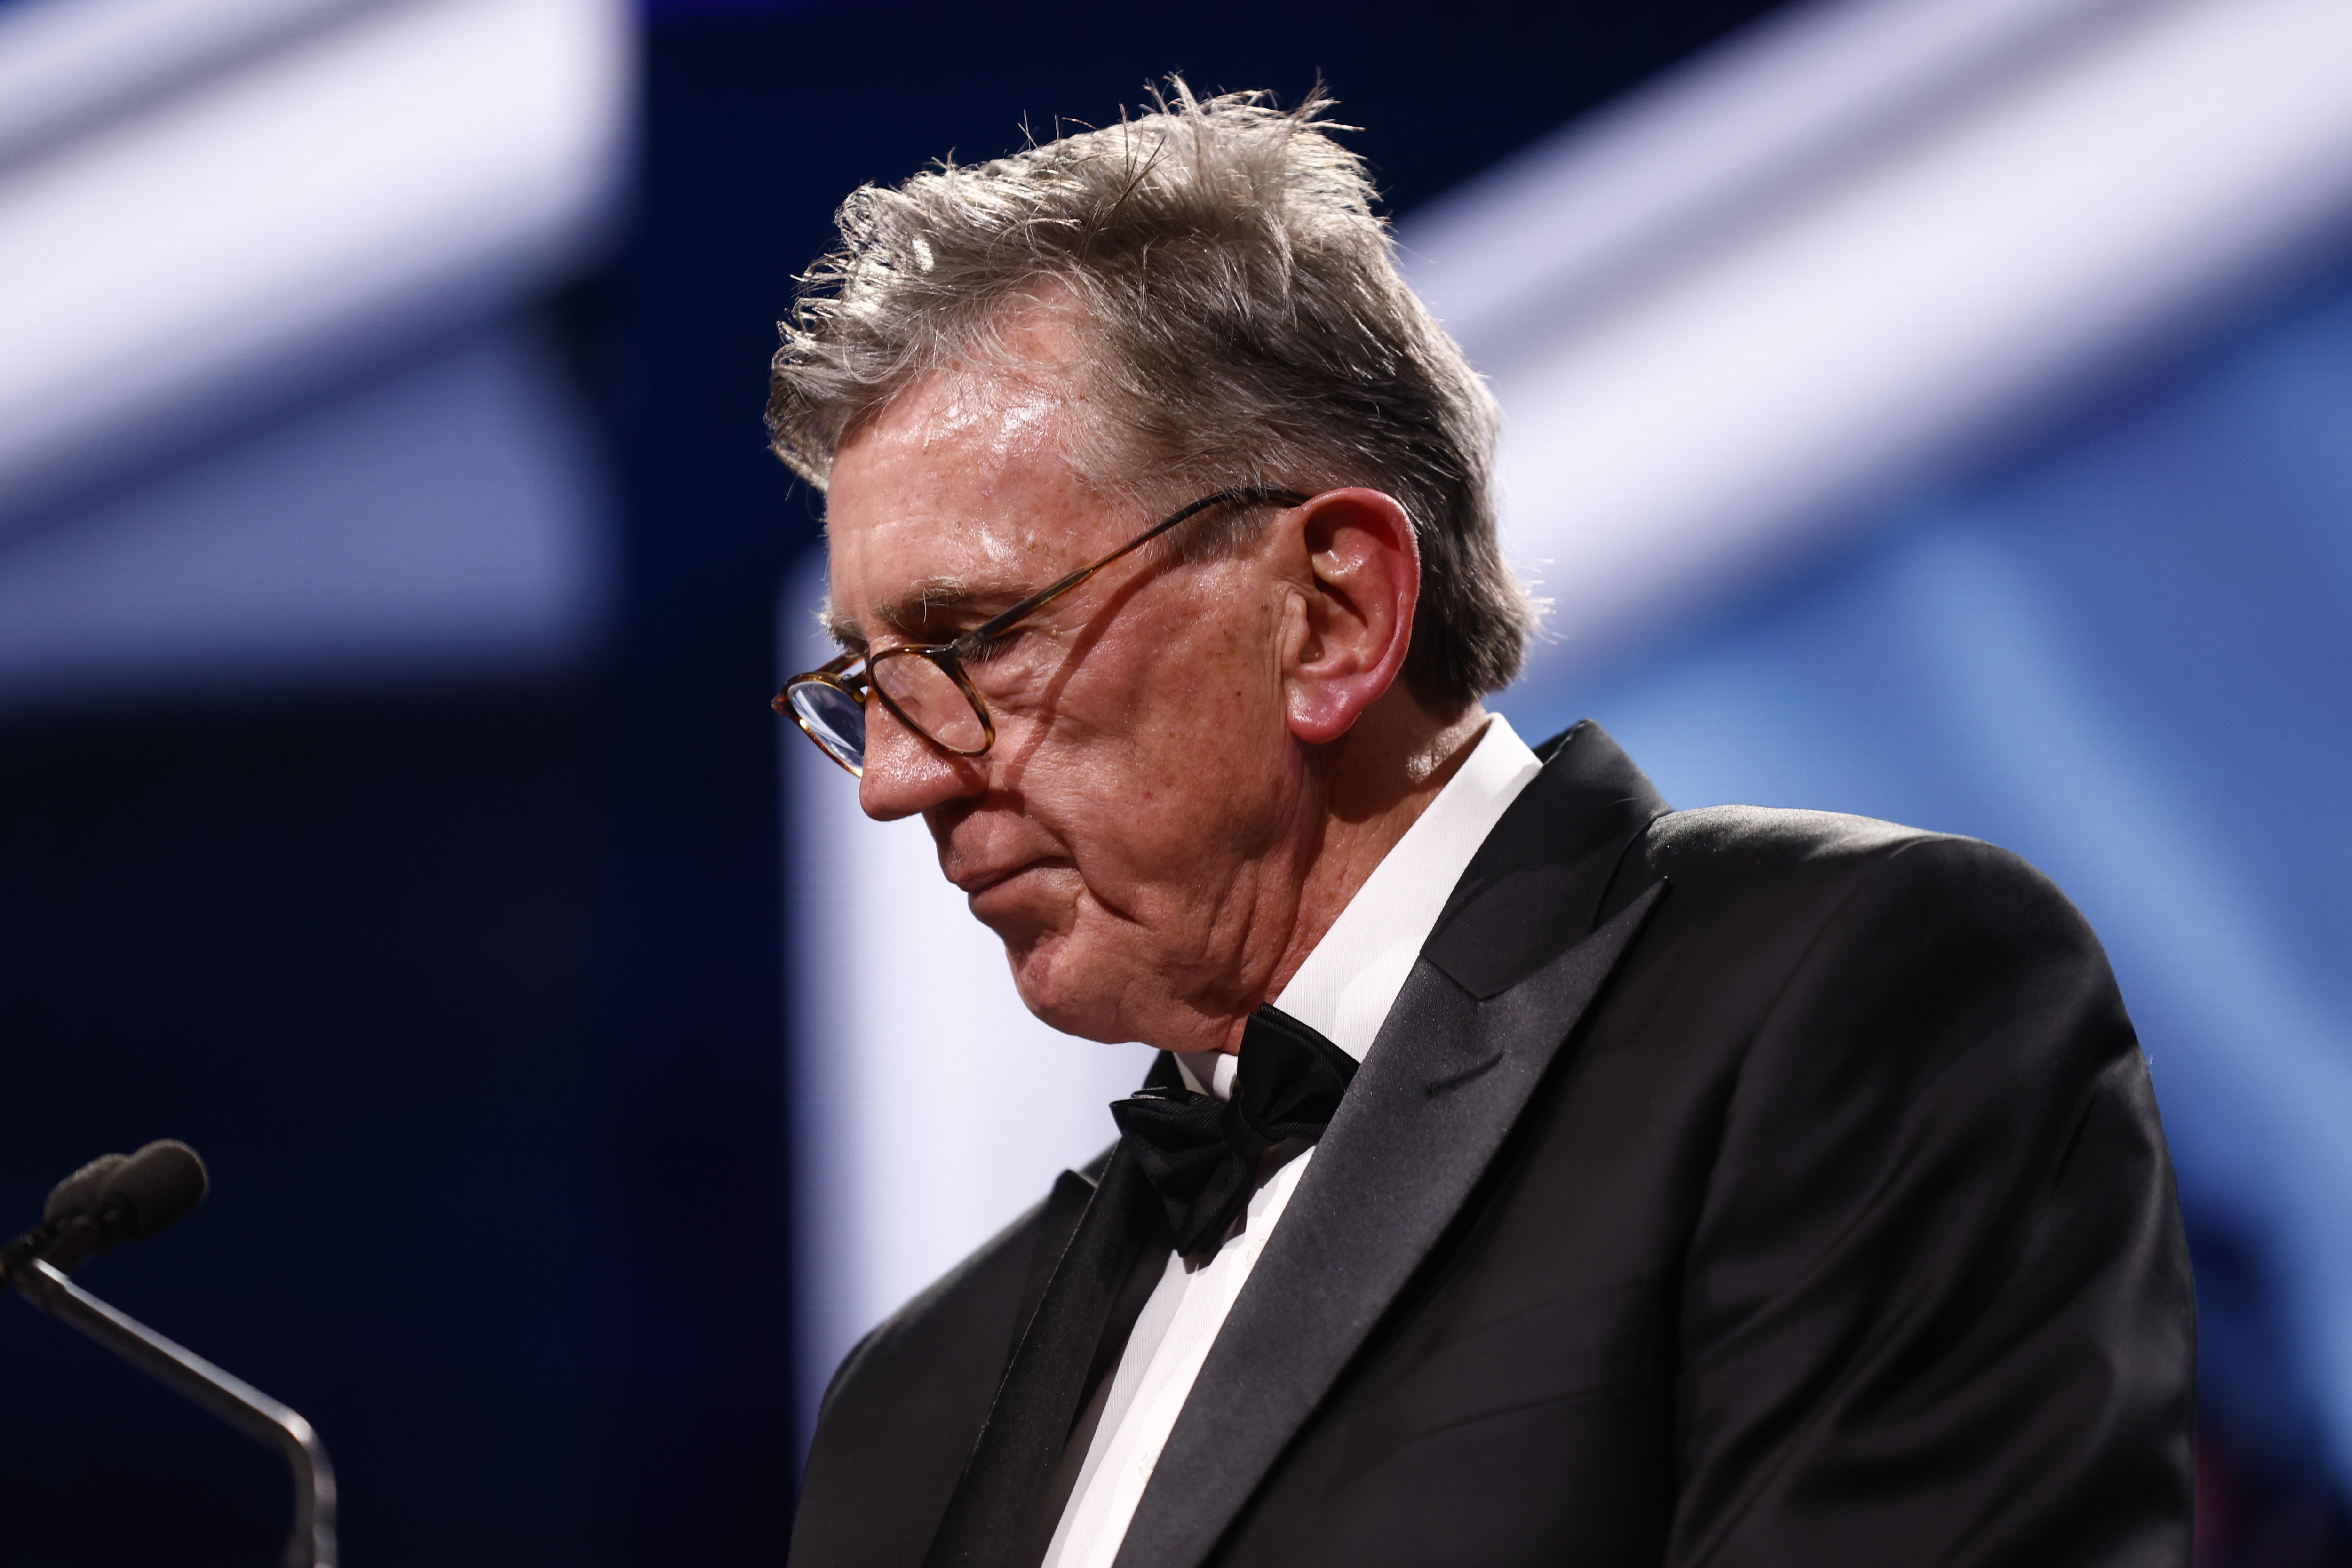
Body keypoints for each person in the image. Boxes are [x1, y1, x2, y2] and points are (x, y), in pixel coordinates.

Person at [768, 85, 2194, 1568]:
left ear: (1333, 615)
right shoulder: (913, 1401)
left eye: (982, 639)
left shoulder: (1852, 1001)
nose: (894, 779)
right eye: (868, 684)